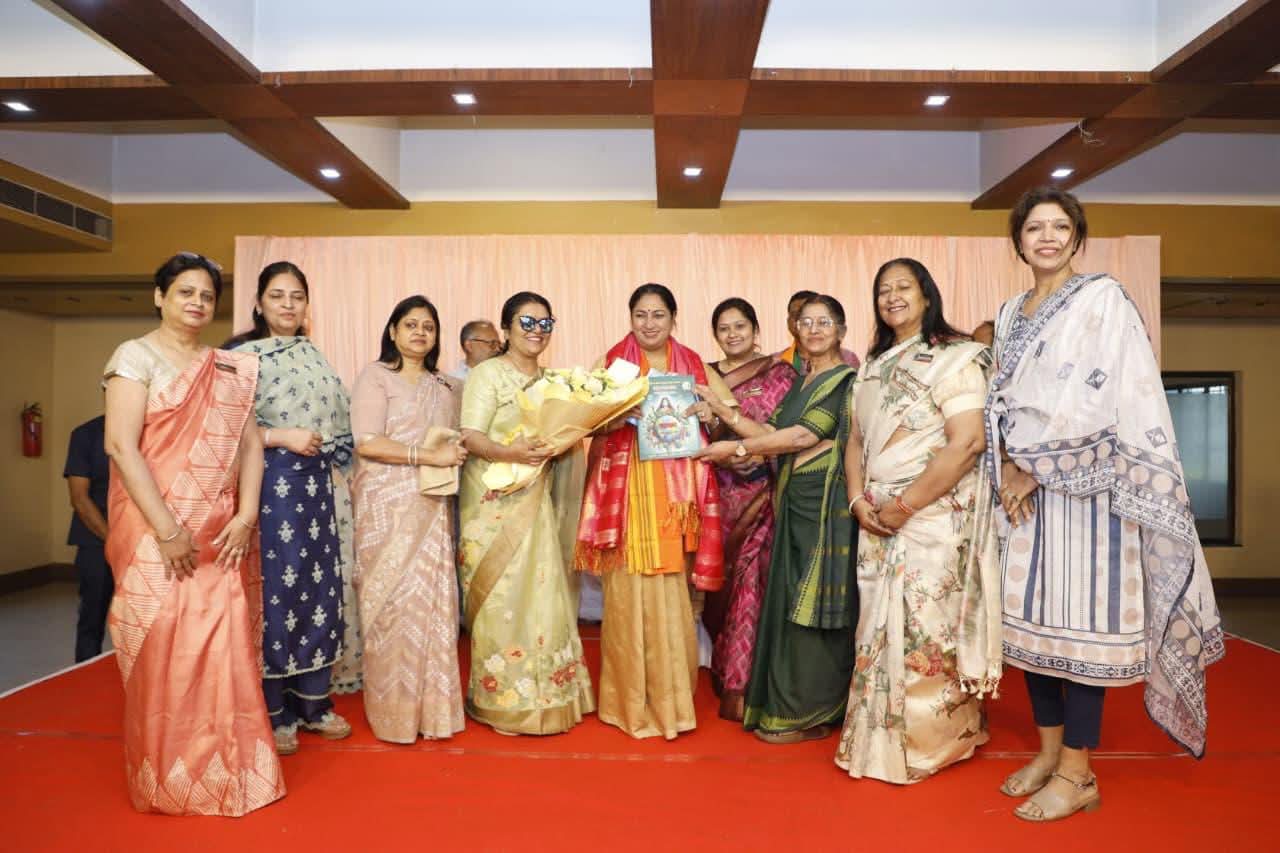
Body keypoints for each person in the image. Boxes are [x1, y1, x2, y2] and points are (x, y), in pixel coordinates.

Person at [988, 187, 1222, 821]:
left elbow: (1101, 396)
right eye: (1034, 227)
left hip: (1087, 492)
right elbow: (999, 400)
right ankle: (1047, 753)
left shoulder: (1102, 300)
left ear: (1077, 238)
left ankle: (1078, 771)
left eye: (1059, 227)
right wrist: (1007, 464)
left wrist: (1034, 468)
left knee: (1082, 632)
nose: (1046, 237)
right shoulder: (1009, 313)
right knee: (1031, 629)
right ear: (1018, 241)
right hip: (1021, 497)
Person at [102, 252, 284, 815]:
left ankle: (234, 773)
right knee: (164, 649)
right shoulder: (134, 357)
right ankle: (171, 779)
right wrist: (167, 530)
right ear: (160, 297)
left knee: (224, 652)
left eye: (207, 295)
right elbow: (120, 446)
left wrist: (246, 516)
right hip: (155, 532)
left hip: (221, 535)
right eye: (185, 292)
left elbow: (251, 445)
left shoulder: (228, 367)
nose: (197, 303)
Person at [835, 258, 1002, 784]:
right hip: (876, 520)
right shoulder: (873, 365)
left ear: (927, 295)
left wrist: (905, 505)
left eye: (903, 287)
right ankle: (876, 739)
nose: (892, 297)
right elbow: (856, 441)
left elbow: (967, 443)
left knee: (926, 632)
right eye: (883, 290)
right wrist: (857, 500)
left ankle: (930, 745)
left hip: (929, 517)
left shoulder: (956, 358)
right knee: (875, 631)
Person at [696, 295, 858, 744]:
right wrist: (724, 413)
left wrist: (736, 448)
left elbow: (801, 437)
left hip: (825, 508)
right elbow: (770, 432)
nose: (814, 329)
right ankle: (790, 703)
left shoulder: (843, 380)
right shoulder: (803, 381)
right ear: (794, 329)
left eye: (824, 322)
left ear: (841, 330)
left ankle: (816, 708)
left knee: (817, 607)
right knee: (788, 604)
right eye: (806, 322)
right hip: (789, 502)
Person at [576, 283, 734, 739]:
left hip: (675, 501)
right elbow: (584, 421)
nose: (649, 324)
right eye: (641, 315)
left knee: (673, 597)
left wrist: (707, 412)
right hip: (625, 496)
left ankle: (672, 705)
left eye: (658, 315)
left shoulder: (693, 364)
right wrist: (618, 414)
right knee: (626, 597)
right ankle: (626, 704)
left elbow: (727, 414)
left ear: (673, 319)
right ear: (630, 319)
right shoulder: (613, 364)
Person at [223, 261, 354, 755]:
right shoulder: (241, 358)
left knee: (319, 590)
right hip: (269, 486)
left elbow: (339, 427)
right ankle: (274, 713)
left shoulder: (314, 354)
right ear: (259, 303)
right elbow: (222, 428)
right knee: (276, 593)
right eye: (277, 295)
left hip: (321, 489)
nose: (288, 304)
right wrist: (281, 436)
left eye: (297, 296)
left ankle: (314, 706)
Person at [458, 292, 593, 734]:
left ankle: (550, 697)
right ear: (506, 328)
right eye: (527, 322)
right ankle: (503, 701)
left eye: (545, 323)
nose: (537, 331)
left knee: (543, 596)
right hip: (492, 507)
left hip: (540, 503)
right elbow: (471, 436)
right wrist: (509, 452)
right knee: (501, 601)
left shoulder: (554, 382)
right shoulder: (488, 374)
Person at [350, 295, 469, 743]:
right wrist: (426, 455)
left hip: (432, 506)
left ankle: (434, 714)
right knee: (391, 606)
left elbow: (460, 440)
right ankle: (393, 715)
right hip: (385, 507)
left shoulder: (447, 386)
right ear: (393, 331)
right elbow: (367, 441)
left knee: (434, 603)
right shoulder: (376, 376)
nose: (420, 333)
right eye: (411, 325)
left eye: (428, 327)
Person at [702, 298, 798, 721]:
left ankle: (743, 682)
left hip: (763, 493)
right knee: (718, 587)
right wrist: (724, 456)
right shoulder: (703, 376)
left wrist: (752, 451)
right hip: (717, 494)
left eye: (740, 326)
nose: (732, 334)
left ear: (756, 330)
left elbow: (788, 432)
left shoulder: (780, 374)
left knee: (752, 586)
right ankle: (722, 667)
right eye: (724, 328)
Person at [64, 414, 113, 662]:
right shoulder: (86, 435)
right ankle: (84, 673)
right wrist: (112, 539)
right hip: (97, 540)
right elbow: (79, 498)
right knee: (92, 619)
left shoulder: (154, 429)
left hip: (144, 540)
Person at [776, 289, 860, 373]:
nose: (813, 329)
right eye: (805, 321)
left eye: (822, 322)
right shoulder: (776, 363)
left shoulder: (848, 360)